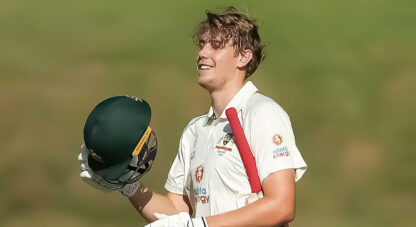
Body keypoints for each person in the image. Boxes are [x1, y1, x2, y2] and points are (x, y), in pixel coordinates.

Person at [79, 7, 307, 227]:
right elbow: (177, 214)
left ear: (244, 57)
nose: (203, 53)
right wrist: (128, 185)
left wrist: (202, 225)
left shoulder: (262, 112)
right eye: (203, 44)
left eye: (216, 46)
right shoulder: (195, 130)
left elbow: (281, 206)